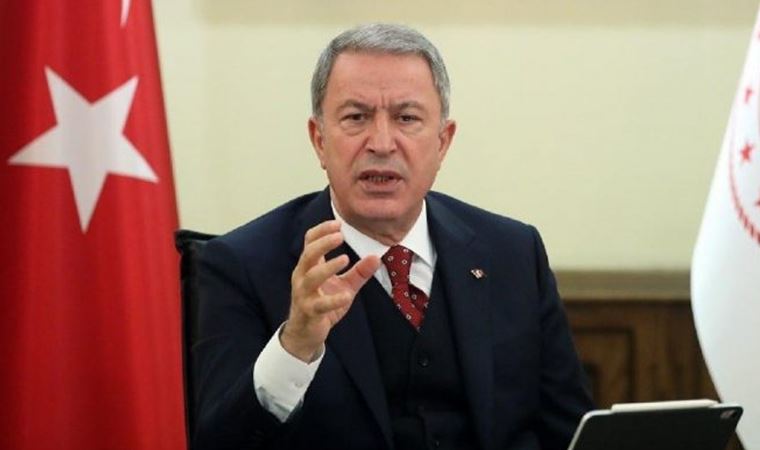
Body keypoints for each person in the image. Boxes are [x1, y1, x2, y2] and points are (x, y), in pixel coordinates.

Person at [194, 23, 593, 450]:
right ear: (319, 140)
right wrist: (296, 346)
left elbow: (571, 432)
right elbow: (219, 444)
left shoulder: (513, 252)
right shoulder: (241, 265)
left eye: (406, 118)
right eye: (356, 117)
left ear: (443, 142)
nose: (382, 143)